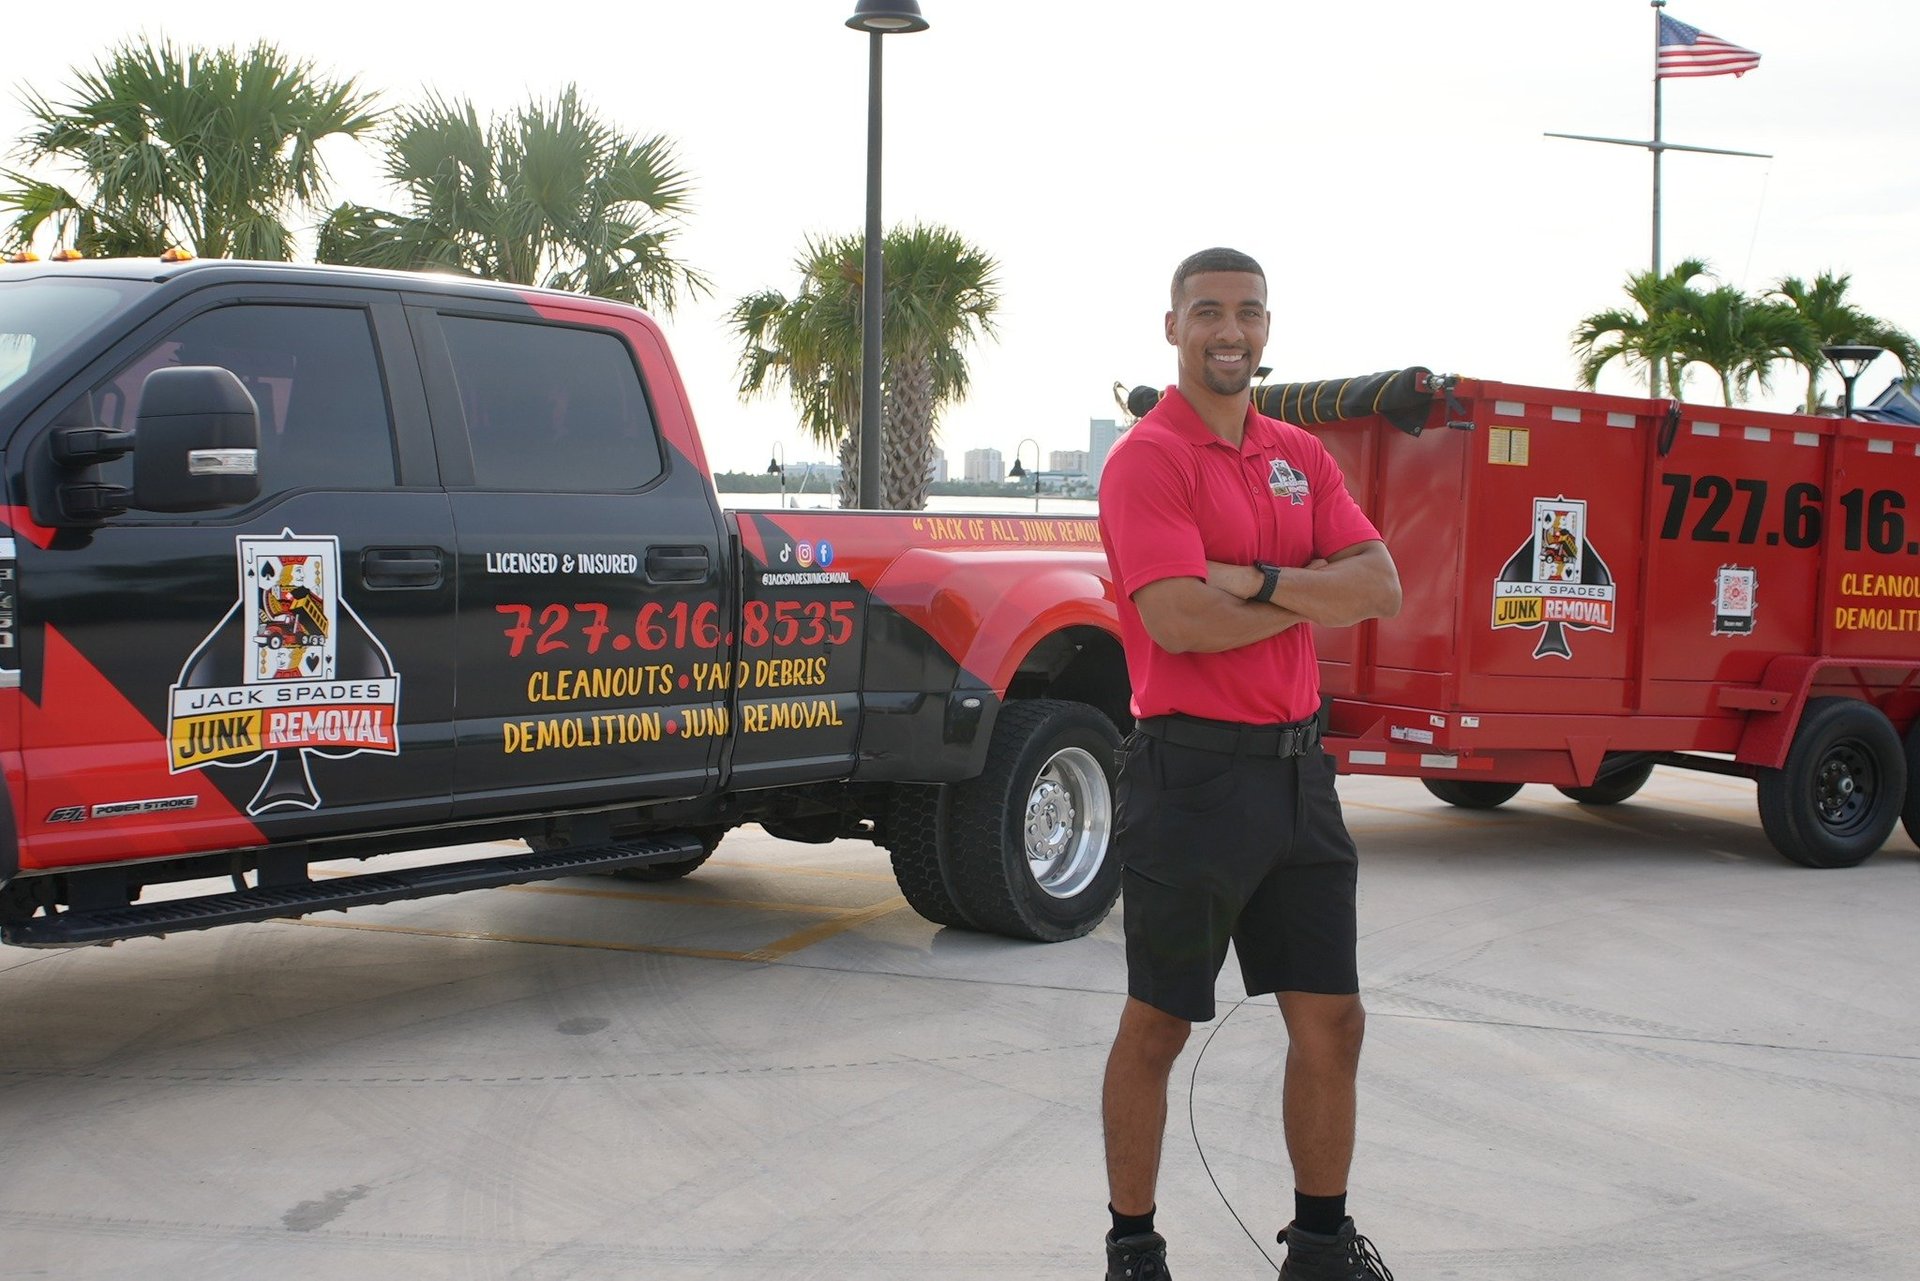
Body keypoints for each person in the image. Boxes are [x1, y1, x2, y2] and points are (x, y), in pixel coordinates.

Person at [1096, 247, 1402, 1281]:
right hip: (1192, 779)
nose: (1232, 331)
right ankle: (1133, 1248)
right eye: (1210, 313)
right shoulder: (1150, 458)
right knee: (1160, 1024)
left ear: (1268, 328)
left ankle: (1320, 1246)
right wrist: (1305, 586)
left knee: (1334, 1019)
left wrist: (1258, 577)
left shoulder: (1297, 454)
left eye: (1250, 314)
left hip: (1298, 780)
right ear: (1174, 324)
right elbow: (1176, 620)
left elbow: (1381, 586)